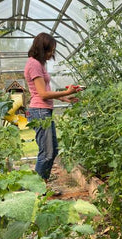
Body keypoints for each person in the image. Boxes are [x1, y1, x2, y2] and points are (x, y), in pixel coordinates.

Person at [24, 32, 81, 188]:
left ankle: (42, 186)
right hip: (39, 112)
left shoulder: (39, 64)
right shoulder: (34, 64)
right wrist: (67, 92)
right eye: (50, 50)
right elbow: (42, 94)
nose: (52, 54)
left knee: (52, 151)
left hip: (44, 111)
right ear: (42, 49)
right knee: (46, 153)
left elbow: (44, 91)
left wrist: (64, 98)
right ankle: (37, 191)